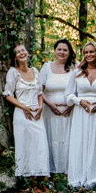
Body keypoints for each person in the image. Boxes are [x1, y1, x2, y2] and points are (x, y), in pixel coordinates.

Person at [66, 42, 96, 190]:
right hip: (81, 113)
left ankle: (95, 179)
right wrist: (80, 101)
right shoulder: (77, 73)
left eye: (91, 52)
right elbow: (68, 95)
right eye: (86, 52)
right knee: (80, 143)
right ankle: (78, 180)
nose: (89, 55)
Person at [3, 44, 49, 191]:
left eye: (23, 50)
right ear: (15, 57)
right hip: (22, 115)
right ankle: (32, 183)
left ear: (27, 53)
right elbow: (8, 95)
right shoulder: (13, 72)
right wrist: (24, 107)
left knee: (41, 147)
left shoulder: (35, 71)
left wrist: (41, 106)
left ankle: (42, 181)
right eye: (18, 52)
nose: (21, 53)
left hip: (37, 113)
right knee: (26, 147)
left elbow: (40, 92)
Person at [38, 39, 76, 175]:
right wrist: (50, 104)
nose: (62, 52)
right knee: (52, 140)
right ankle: (52, 172)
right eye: (59, 49)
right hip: (50, 111)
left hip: (69, 112)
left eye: (65, 50)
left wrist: (71, 106)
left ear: (69, 52)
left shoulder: (75, 68)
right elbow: (39, 90)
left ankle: (68, 171)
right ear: (54, 51)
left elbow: (80, 90)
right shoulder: (47, 67)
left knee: (68, 141)